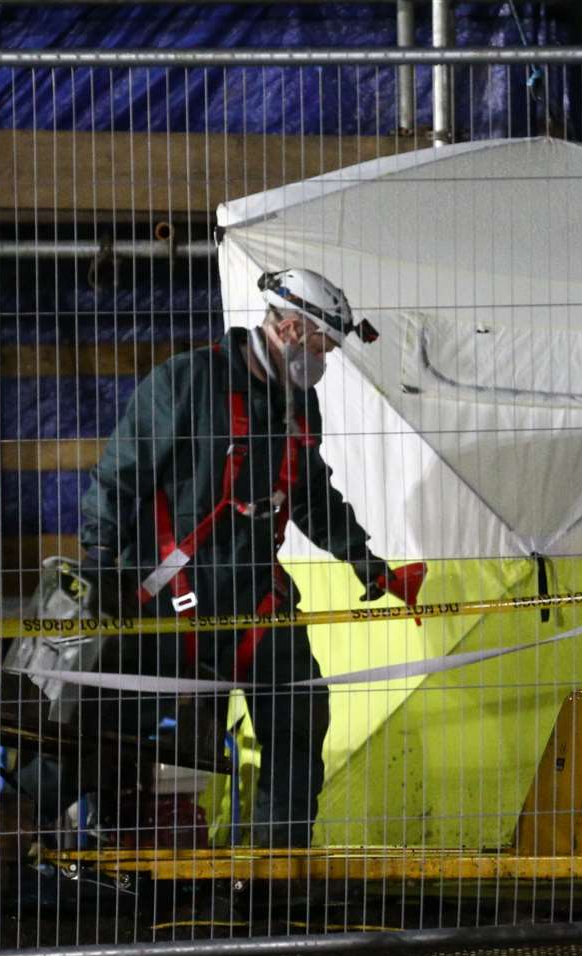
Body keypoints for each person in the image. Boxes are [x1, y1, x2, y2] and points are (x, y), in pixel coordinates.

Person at [71, 268, 423, 848]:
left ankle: (273, 867)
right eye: (322, 346)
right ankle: (97, 849)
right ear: (288, 326)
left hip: (253, 599)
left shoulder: (297, 407)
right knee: (117, 734)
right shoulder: (186, 383)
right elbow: (118, 477)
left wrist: (366, 562)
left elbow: (309, 493)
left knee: (299, 713)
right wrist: (102, 560)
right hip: (164, 603)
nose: (326, 361)